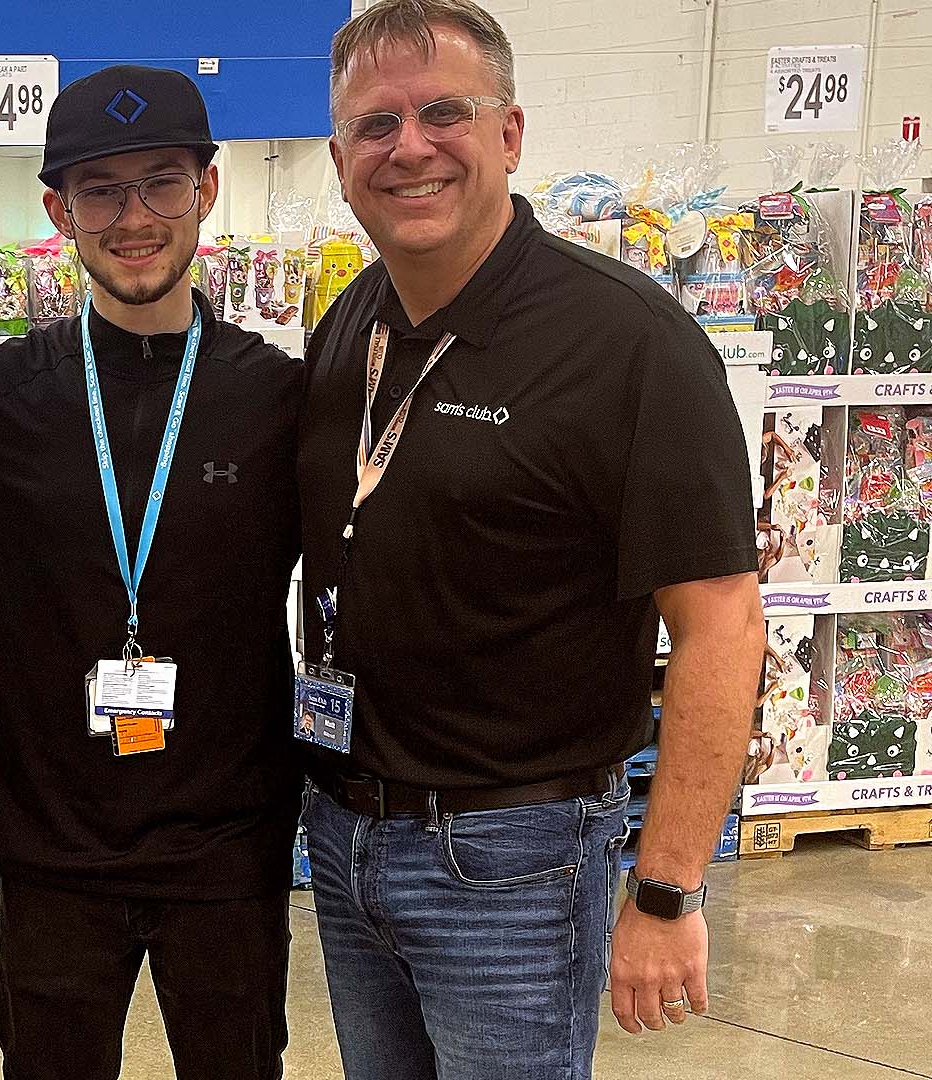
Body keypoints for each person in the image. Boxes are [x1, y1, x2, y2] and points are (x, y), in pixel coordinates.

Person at [296, 2, 764, 1077]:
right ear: (340, 159)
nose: (409, 148)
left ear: (508, 134)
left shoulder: (629, 343)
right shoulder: (354, 319)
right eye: (375, 125)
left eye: (443, 114)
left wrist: (666, 888)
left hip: (513, 861)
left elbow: (723, 625)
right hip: (345, 831)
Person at [0, 66, 304, 1080]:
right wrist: (3, 636)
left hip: (229, 847)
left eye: (162, 183)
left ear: (206, 190)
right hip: (55, 848)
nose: (134, 218)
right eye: (100, 191)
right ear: (60, 212)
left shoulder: (278, 399)